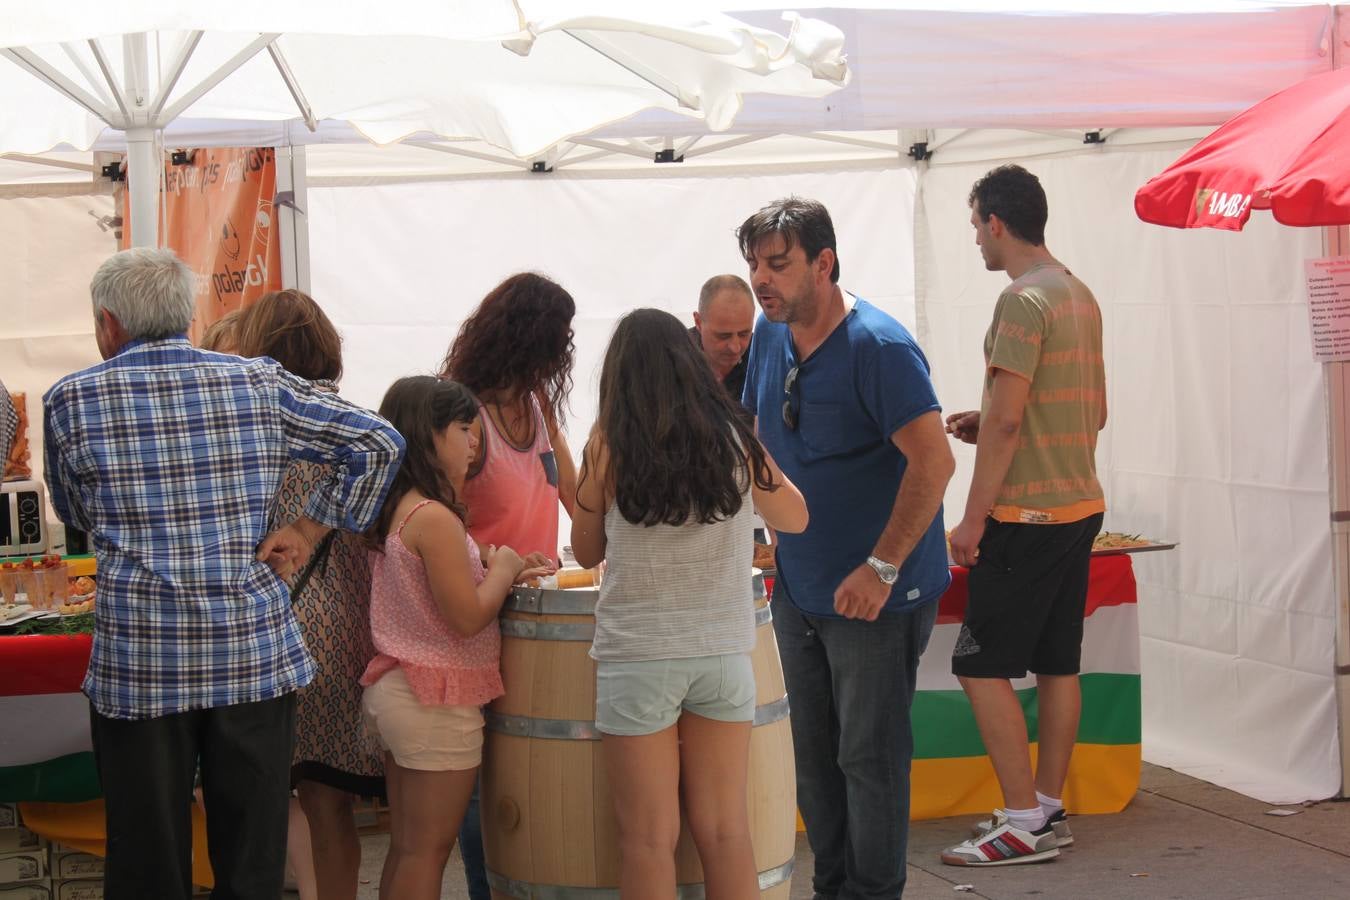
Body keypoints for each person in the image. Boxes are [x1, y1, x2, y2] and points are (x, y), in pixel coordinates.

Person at [42, 248, 404, 900]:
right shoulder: (259, 383)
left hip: (142, 659)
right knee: (252, 859)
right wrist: (309, 525)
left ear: (108, 324)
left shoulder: (73, 399)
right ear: (187, 316)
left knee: (147, 858)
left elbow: (75, 512)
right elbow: (378, 441)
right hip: (252, 655)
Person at [737, 197, 955, 899]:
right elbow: (756, 434)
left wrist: (882, 566)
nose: (762, 281)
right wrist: (760, 532)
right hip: (799, 586)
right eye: (753, 267)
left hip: (874, 594)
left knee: (868, 757)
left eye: (778, 264)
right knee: (814, 758)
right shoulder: (772, 335)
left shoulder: (879, 348)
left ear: (824, 264)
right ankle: (834, 888)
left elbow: (935, 463)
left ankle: (871, 892)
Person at [571, 308, 807, 897]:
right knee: (727, 831)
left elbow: (584, 551)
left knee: (647, 840)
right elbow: (797, 517)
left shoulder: (609, 444)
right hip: (724, 653)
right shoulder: (734, 440)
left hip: (639, 655)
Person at [940, 164, 1106, 867]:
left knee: (980, 667)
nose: (975, 238)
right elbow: (1091, 408)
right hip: (1080, 505)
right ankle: (1045, 808)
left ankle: (1018, 823)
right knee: (1057, 664)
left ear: (997, 223)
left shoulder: (1020, 303)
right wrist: (998, 422)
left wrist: (972, 521)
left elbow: (1009, 425)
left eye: (976, 224)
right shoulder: (1078, 292)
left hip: (1027, 517)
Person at [359, 376, 546, 900]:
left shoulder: (404, 508)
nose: (474, 443)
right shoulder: (435, 518)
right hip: (435, 699)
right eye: (464, 429)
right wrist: (505, 568)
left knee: (407, 847)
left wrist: (499, 568)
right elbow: (465, 618)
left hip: (404, 691)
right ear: (428, 434)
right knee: (427, 852)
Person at [233, 290, 385, 900]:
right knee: (330, 801)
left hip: (271, 620)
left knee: (260, 795)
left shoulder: (255, 420)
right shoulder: (354, 421)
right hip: (345, 618)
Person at [438, 271, 575, 895]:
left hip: (537, 621)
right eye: (560, 335)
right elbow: (440, 519)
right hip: (478, 618)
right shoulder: (462, 411)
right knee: (483, 781)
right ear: (532, 337)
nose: (567, 349)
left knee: (528, 773)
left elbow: (576, 494)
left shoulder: (537, 404)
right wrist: (501, 563)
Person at [691, 274, 756, 399]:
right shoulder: (672, 360)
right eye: (723, 336)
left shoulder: (765, 359)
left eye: (744, 334)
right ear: (698, 322)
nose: (735, 347)